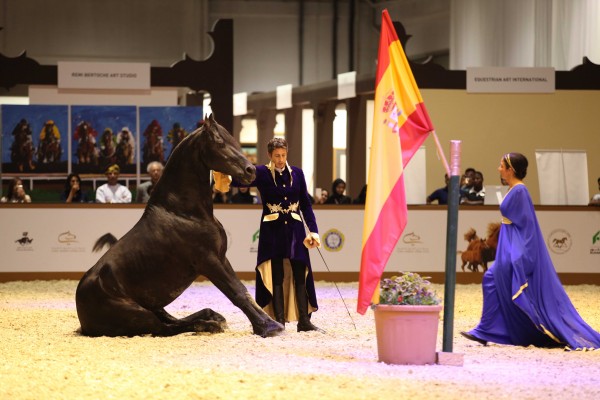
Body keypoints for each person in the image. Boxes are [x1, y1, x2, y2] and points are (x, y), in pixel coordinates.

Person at [461, 153, 600, 350]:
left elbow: (527, 225)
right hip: (508, 243)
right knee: (492, 279)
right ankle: (486, 330)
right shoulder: (514, 189)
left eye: (501, 166)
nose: (499, 169)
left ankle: (489, 330)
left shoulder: (520, 191)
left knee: (492, 279)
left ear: (510, 170)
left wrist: (519, 253)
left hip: (513, 247)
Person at [226, 137, 323, 332]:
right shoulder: (261, 172)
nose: (280, 159)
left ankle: (304, 321)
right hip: (272, 231)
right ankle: (279, 321)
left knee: (300, 272)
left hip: (296, 231)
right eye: (277, 155)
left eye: (283, 155)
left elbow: (305, 204)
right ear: (269, 155)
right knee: (276, 275)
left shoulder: (297, 173)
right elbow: (239, 180)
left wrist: (313, 230)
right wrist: (224, 173)